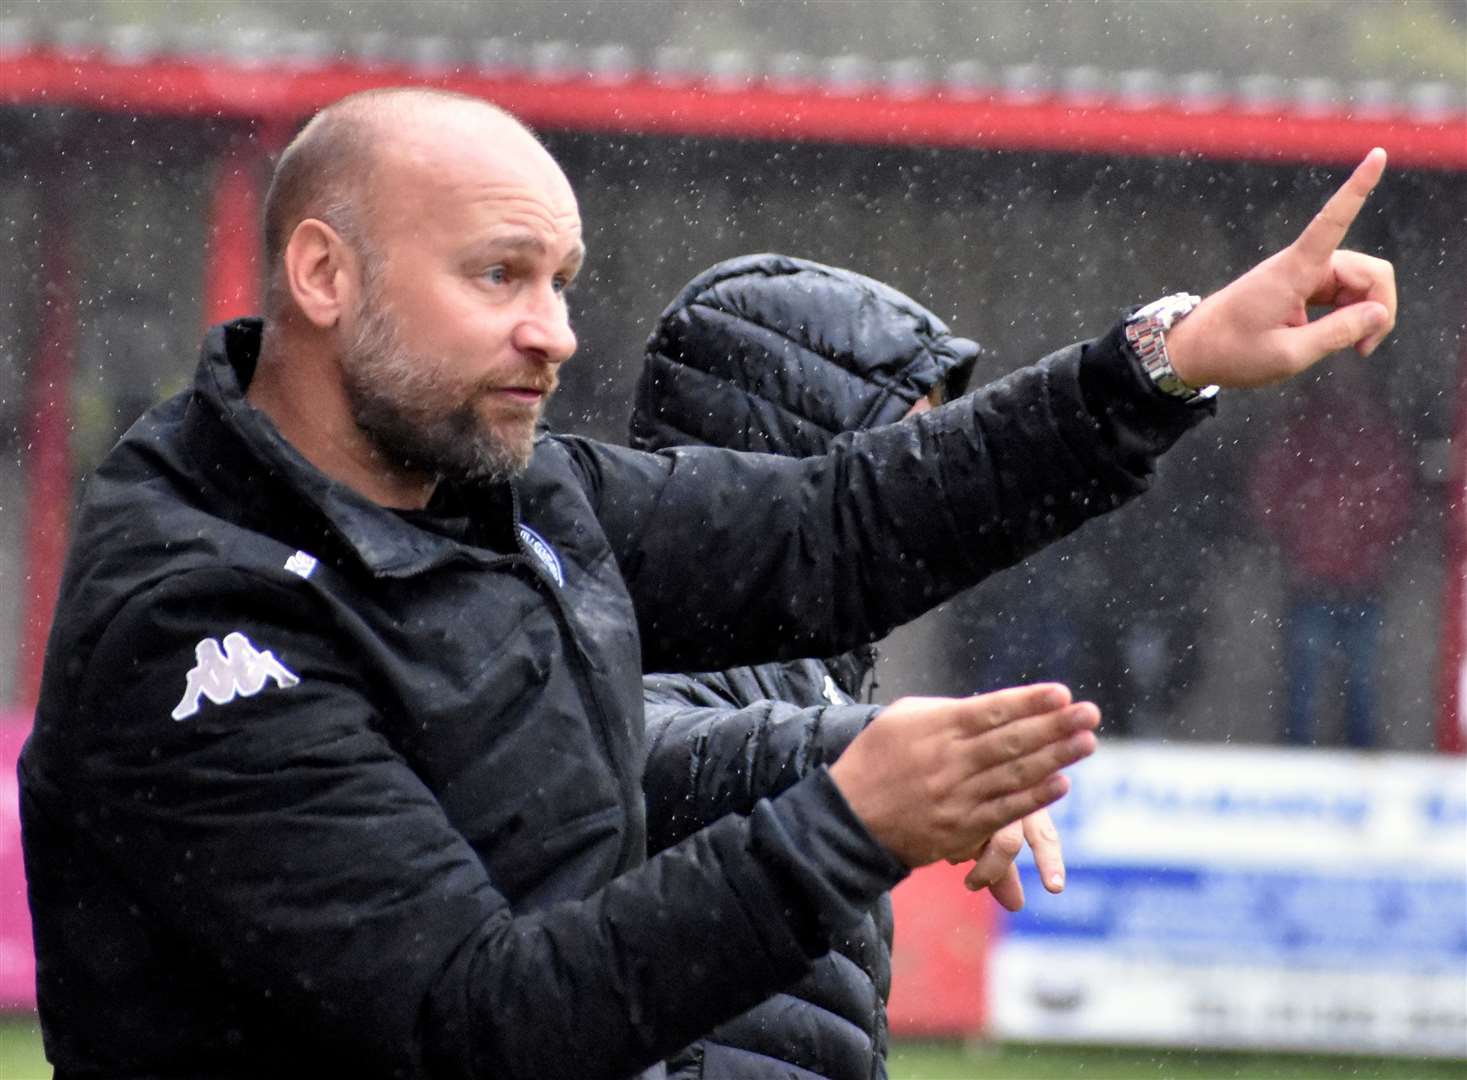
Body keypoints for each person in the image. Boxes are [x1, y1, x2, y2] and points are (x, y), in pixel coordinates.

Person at [17, 86, 1395, 1079]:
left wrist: (1167, 361)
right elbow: (481, 1024)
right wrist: (852, 814)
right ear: (320, 272)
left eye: (561, 281)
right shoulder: (201, 626)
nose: (551, 333)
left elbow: (837, 528)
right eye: (499, 275)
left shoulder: (509, 491)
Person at [633, 253, 1049, 1080]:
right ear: (801, 448)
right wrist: (873, 749)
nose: (925, 487)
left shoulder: (806, 661)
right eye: (904, 449)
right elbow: (628, 751)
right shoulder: (649, 618)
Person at [1248, 366, 1414, 746]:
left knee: (1353, 686)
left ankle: (1343, 766)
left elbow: (1395, 504)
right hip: (1321, 582)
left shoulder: (1366, 442)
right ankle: (1310, 767)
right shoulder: (1307, 439)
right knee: (1314, 687)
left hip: (1351, 582)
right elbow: (1269, 495)